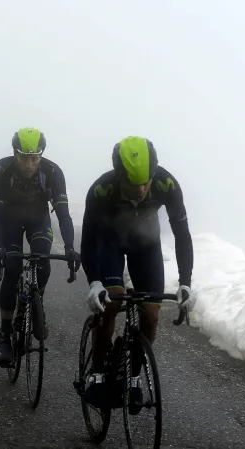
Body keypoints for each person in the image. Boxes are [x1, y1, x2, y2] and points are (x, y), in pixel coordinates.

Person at [80, 136, 194, 408]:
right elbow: (88, 240)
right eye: (133, 184)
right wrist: (94, 281)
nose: (141, 190)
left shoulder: (167, 184)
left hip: (147, 244)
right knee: (110, 304)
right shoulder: (102, 190)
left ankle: (132, 376)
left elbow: (182, 234)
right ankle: (96, 372)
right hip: (109, 242)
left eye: (146, 182)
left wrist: (186, 282)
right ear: (120, 177)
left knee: (152, 315)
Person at [0, 127, 80, 366]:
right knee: (13, 268)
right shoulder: (0, 170)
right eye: (24, 158)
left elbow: (63, 214)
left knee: (42, 260)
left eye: (34, 158)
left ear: (41, 156)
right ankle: (5, 336)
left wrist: (69, 246)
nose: (29, 164)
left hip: (39, 220)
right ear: (15, 154)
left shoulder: (53, 172)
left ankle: (37, 303)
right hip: (9, 222)